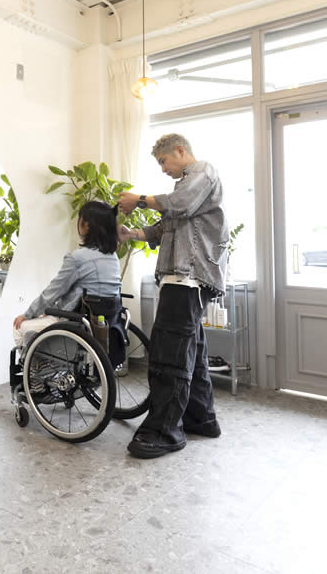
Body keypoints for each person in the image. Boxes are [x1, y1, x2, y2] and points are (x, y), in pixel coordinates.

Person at [118, 133, 228, 459]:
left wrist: (138, 199)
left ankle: (164, 431)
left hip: (188, 277)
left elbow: (179, 205)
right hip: (183, 278)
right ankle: (201, 418)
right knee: (190, 351)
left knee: (170, 354)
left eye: (164, 161)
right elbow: (166, 224)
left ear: (180, 151)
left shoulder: (203, 173)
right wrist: (133, 234)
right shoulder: (186, 185)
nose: (163, 169)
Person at [13, 201, 122, 346]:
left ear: (87, 225)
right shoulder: (113, 257)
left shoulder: (78, 258)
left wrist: (27, 315)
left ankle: (36, 366)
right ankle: (40, 361)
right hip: (106, 323)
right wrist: (53, 311)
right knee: (41, 322)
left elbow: (53, 291)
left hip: (78, 322)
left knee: (20, 327)